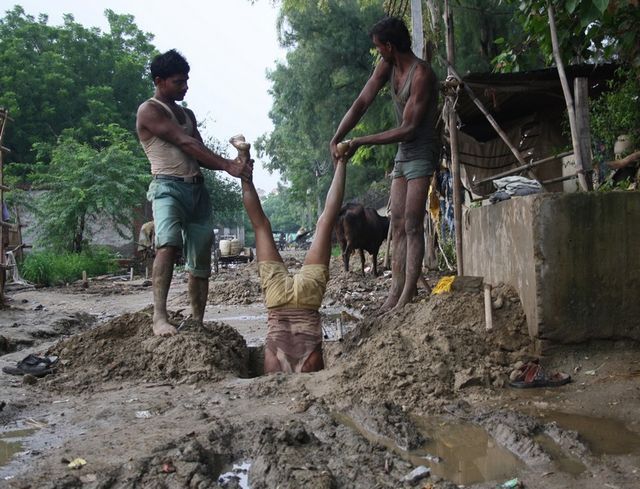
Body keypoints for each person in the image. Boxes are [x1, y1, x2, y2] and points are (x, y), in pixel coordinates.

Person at [136, 49, 251, 336]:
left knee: (200, 256)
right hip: (167, 187)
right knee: (168, 244)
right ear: (160, 81)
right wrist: (228, 166)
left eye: (186, 80)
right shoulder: (149, 111)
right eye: (178, 82)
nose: (185, 87)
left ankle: (197, 320)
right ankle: (159, 318)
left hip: (196, 190)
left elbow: (198, 154)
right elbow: (184, 142)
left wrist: (234, 164)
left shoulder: (187, 113)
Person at [330, 16, 439, 313]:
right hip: (404, 153)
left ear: (390, 46)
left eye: (379, 48)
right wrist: (338, 136)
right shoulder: (388, 66)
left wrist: (361, 141)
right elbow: (362, 101)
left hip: (421, 150)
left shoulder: (422, 75)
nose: (378, 53)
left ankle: (407, 296)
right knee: (399, 224)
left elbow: (409, 128)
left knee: (414, 225)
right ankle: (395, 294)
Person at [241, 150, 348, 373]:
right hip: (280, 300)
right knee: (262, 226)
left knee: (324, 223)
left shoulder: (306, 365)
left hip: (307, 300)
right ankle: (244, 167)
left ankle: (342, 163)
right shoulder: (276, 366)